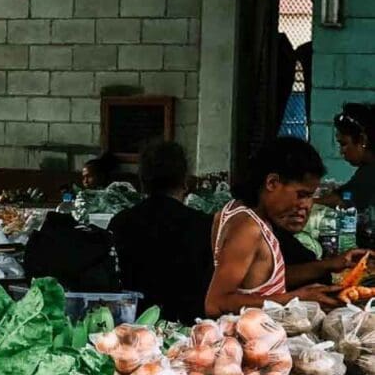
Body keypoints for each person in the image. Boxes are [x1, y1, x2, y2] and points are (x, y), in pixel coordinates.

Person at [205, 138, 349, 317]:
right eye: (302, 194)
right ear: (272, 183)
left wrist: (329, 265)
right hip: (253, 340)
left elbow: (260, 280)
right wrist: (295, 299)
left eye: (310, 196)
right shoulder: (248, 229)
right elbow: (216, 303)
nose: (307, 205)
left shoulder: (235, 211)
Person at [109, 141, 213, 324]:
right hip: (190, 327)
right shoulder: (203, 225)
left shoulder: (121, 222)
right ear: (185, 181)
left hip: (133, 326)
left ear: (142, 181)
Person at [320, 103, 375, 212]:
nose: (341, 152)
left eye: (344, 144)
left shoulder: (370, 173)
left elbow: (342, 201)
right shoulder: (366, 169)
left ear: (362, 140)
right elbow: (345, 193)